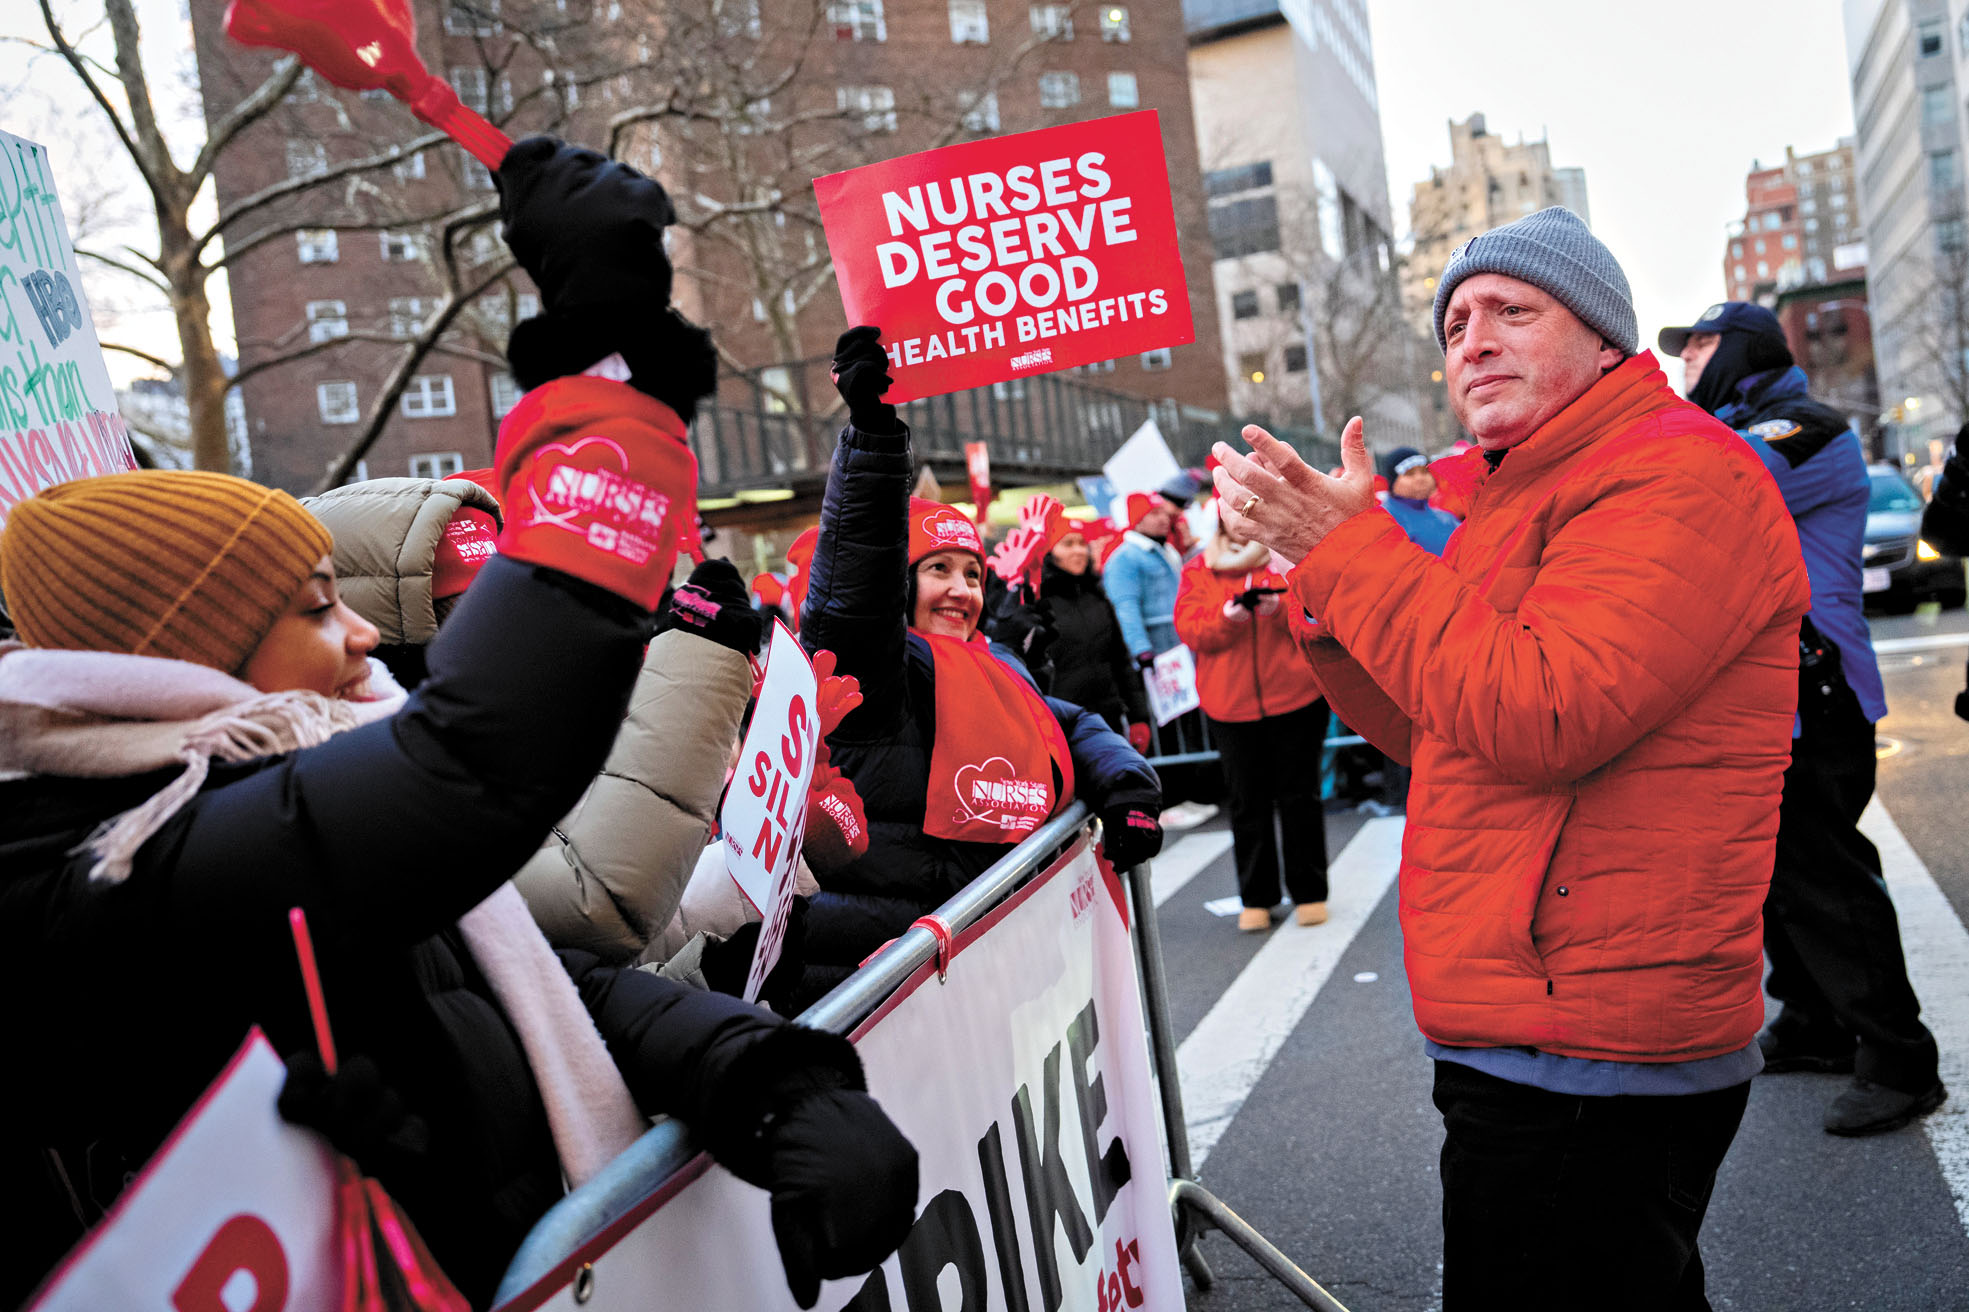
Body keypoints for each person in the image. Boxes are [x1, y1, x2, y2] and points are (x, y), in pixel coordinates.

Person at [0, 139, 916, 1311]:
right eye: (314, 606)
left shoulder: (315, 745)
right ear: (193, 650)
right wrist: (610, 365)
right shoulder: (93, 860)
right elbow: (474, 769)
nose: (368, 639)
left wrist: (770, 1081)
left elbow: (534, 981)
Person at [1213, 206, 1811, 1309]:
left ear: (1604, 340)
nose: (1472, 339)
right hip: (1541, 1020)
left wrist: (1351, 556)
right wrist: (1329, 597)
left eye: (1511, 311)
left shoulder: (1678, 474)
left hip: (1592, 1034)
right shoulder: (1517, 488)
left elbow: (1542, 714)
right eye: (1453, 324)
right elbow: (1448, 733)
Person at [794, 326, 1164, 1005]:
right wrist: (873, 441)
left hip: (977, 974)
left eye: (972, 572)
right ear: (901, 588)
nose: (961, 590)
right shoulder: (878, 671)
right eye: (936, 570)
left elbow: (1070, 725)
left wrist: (1128, 791)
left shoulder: (991, 668)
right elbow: (853, 593)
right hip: (869, 977)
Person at [1662, 300, 1944, 1134]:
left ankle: (1900, 1059)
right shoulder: (1738, 421)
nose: (1685, 362)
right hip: (1771, 695)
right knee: (1778, 873)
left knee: (1828, 878)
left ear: (1740, 351)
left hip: (1817, 689)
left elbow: (1710, 484)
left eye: (1700, 346)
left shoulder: (1803, 426)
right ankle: (1815, 1022)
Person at [1172, 522, 1330, 931]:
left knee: (1301, 798)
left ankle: (1310, 891)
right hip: (1230, 705)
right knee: (1247, 804)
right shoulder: (1199, 570)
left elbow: (1315, 613)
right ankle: (1257, 897)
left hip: (1295, 697)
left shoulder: (1283, 556)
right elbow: (1191, 629)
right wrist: (1228, 617)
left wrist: (1279, 612)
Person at [1378, 446, 1461, 557]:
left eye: (1424, 471)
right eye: (1409, 473)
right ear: (1393, 482)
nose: (1420, 478)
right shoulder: (1384, 520)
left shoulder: (1447, 518)